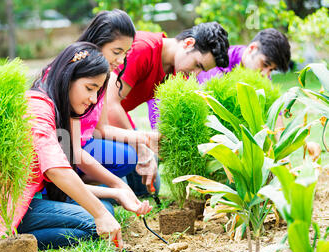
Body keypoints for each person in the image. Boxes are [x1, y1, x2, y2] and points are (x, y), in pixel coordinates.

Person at [0, 42, 152, 252]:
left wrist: (117, 192)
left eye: (98, 91)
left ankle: (7, 239)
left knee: (104, 212)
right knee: (95, 223)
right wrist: (99, 214)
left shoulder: (60, 109)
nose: (93, 99)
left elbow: (61, 182)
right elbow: (56, 170)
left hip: (24, 203)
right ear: (67, 77)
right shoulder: (38, 107)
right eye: (89, 88)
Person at [105, 22, 230, 194]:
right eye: (197, 65)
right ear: (188, 43)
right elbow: (109, 104)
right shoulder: (143, 48)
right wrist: (140, 148)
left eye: (201, 71)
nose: (195, 74)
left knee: (150, 186)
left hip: (113, 123)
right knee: (127, 161)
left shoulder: (177, 72)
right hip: (88, 122)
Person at [73, 9, 160, 197]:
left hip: (86, 143)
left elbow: (102, 129)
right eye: (116, 52)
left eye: (126, 53)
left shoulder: (105, 77)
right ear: (98, 42)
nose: (121, 60)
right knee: (126, 158)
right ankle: (72, 189)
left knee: (127, 156)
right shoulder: (76, 74)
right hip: (66, 148)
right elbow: (69, 145)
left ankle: (83, 188)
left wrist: (144, 138)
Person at [147, 28, 291, 129]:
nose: (266, 74)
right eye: (264, 64)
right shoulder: (214, 63)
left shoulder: (261, 77)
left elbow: (275, 116)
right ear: (252, 49)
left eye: (271, 70)